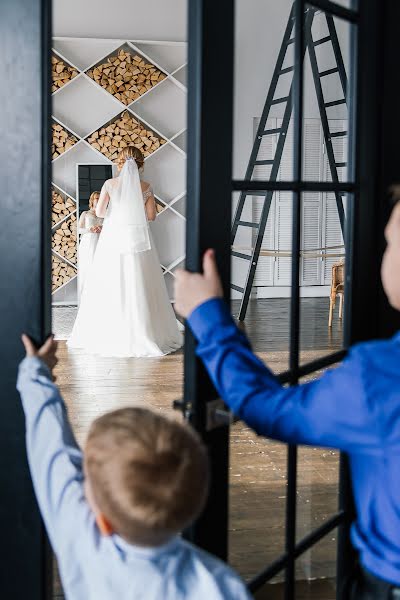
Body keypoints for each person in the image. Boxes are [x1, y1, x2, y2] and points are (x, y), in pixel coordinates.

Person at [174, 201, 400, 599]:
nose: (383, 249)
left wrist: (207, 316)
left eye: (390, 241)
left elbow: (266, 408)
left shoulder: (380, 375)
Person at [17, 334, 251, 600]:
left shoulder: (81, 537)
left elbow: (51, 449)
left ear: (102, 520)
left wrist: (36, 372)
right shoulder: (220, 585)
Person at [68, 146, 182, 357]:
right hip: (139, 238)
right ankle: (145, 330)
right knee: (141, 278)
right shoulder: (146, 186)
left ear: (119, 162)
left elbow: (100, 211)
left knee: (111, 278)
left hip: (113, 237)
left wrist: (116, 212)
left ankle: (110, 329)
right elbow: (151, 216)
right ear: (140, 163)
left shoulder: (110, 184)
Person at [77, 191, 103, 300]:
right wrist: (89, 229)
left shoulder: (104, 214)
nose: (98, 199)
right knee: (87, 267)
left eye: (100, 197)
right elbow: (78, 229)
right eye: (96, 198)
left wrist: (101, 229)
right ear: (92, 200)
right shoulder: (85, 214)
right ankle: (85, 297)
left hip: (100, 241)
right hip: (88, 242)